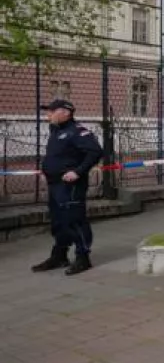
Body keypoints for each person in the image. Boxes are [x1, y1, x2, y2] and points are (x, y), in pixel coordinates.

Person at [32, 99, 103, 275]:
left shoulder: (77, 132)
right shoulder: (56, 131)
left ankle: (83, 257)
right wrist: (45, 172)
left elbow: (95, 152)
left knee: (74, 220)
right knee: (58, 222)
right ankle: (59, 255)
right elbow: (56, 156)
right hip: (54, 184)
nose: (48, 114)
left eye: (51, 111)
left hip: (70, 185)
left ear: (65, 112)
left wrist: (78, 172)